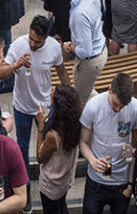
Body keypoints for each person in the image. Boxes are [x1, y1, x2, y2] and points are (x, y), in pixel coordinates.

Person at [1, 15, 65, 160]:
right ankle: (25, 182)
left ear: (46, 38)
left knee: (47, 144)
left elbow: (61, 70)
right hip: (22, 107)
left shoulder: (54, 47)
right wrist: (16, 65)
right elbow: (1, 74)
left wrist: (70, 93)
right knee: (22, 145)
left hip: (45, 106)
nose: (32, 43)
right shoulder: (18, 45)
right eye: (31, 38)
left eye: (38, 42)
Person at [81, 73, 137, 214]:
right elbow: (83, 142)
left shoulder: (134, 108)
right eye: (115, 104)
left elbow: (136, 145)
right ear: (110, 89)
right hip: (95, 183)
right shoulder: (93, 106)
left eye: (122, 106)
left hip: (121, 183)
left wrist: (130, 184)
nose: (117, 109)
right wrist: (92, 160)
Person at [35, 85, 82, 214]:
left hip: (51, 187)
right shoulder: (77, 123)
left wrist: (40, 127)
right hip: (65, 181)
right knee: (61, 206)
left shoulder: (53, 135)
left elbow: (40, 157)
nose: (51, 93)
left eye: (53, 94)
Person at [65, 0, 107, 103]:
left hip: (90, 61)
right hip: (101, 49)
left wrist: (69, 47)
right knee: (86, 90)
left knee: (80, 99)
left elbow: (85, 51)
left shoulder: (79, 14)